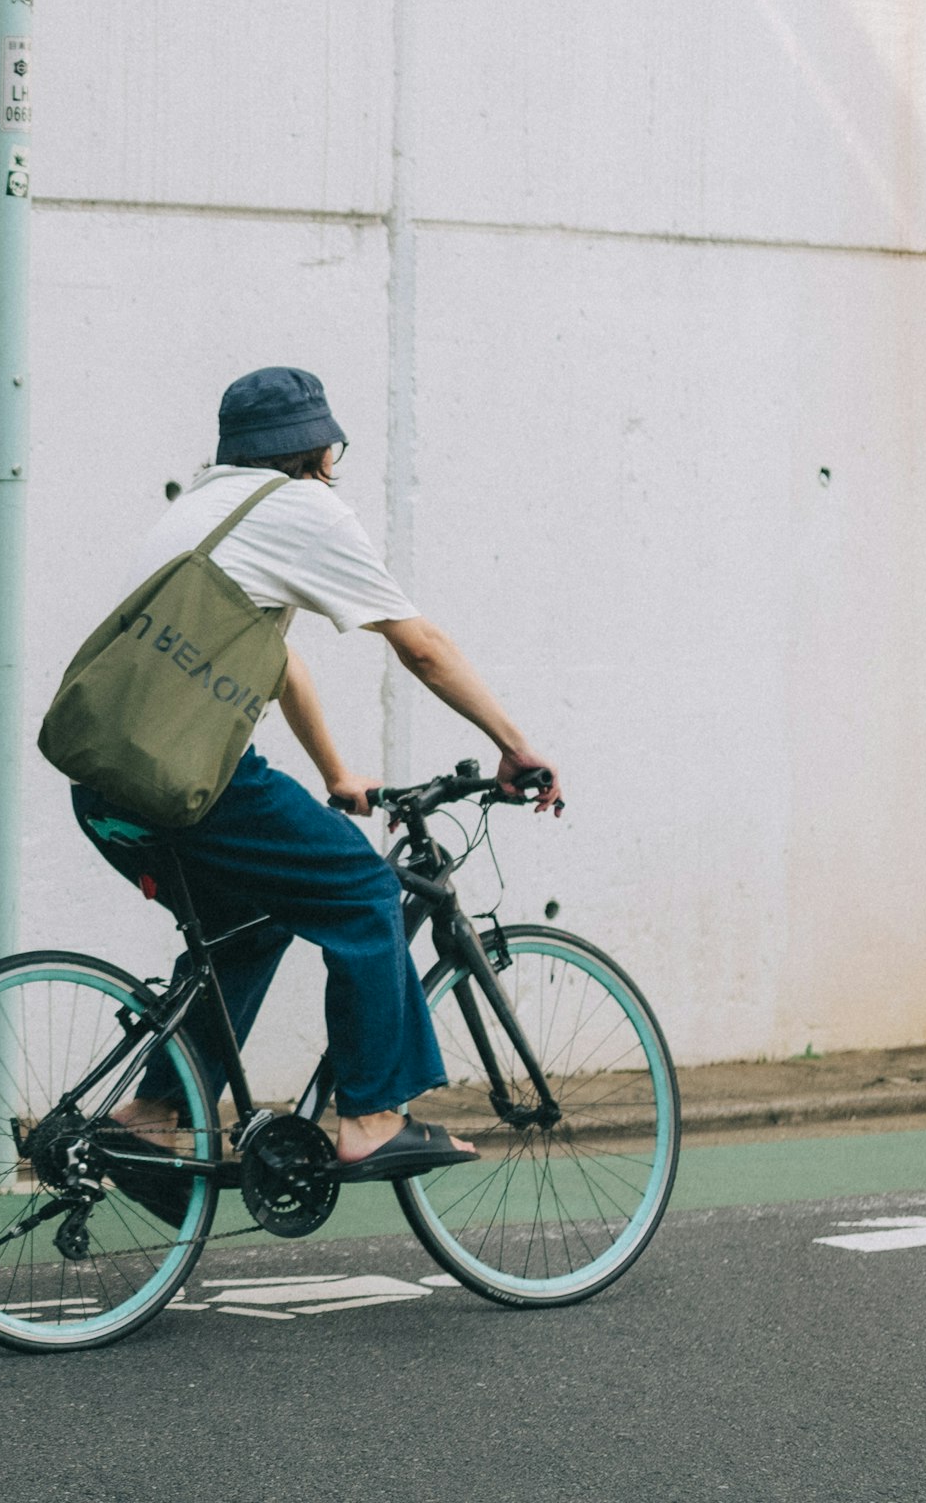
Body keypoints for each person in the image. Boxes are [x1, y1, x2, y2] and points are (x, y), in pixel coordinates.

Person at [73, 365, 561, 1178]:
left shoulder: (199, 508)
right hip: (195, 779)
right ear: (318, 450)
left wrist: (337, 773)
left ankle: (155, 1111)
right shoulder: (302, 511)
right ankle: (371, 1118)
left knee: (253, 924)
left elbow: (279, 661)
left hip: (105, 782)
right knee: (367, 894)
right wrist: (514, 742)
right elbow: (422, 647)